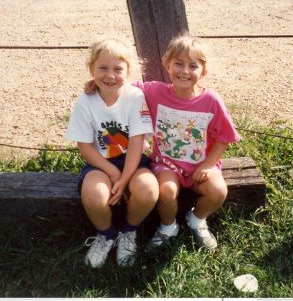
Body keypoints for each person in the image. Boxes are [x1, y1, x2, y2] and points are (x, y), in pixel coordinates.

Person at [140, 35, 240, 251]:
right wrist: (98, 84)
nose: (184, 71)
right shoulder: (154, 91)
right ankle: (168, 227)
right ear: (167, 64)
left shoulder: (211, 100)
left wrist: (208, 165)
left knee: (217, 191)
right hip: (166, 164)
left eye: (193, 66)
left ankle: (196, 220)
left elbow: (224, 137)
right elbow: (124, 85)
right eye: (178, 63)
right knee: (166, 191)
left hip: (200, 166)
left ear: (203, 72)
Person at [65, 37, 159, 268]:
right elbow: (84, 146)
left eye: (118, 69)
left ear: (128, 71)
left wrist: (125, 178)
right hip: (100, 163)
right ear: (92, 69)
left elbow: (136, 142)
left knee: (148, 189)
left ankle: (128, 231)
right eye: (103, 68)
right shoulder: (85, 101)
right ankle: (106, 234)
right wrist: (113, 173)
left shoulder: (134, 97)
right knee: (94, 194)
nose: (110, 75)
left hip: (134, 161)